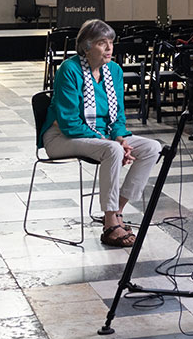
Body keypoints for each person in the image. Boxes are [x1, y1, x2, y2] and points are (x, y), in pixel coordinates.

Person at [39, 19, 162, 248]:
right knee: (113, 150)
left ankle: (117, 211)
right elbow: (69, 122)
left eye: (111, 42)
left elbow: (118, 117)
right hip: (61, 137)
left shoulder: (113, 70)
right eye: (101, 43)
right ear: (86, 47)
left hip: (101, 136)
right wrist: (110, 141)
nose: (109, 48)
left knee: (152, 148)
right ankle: (109, 223)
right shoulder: (69, 69)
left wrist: (121, 138)